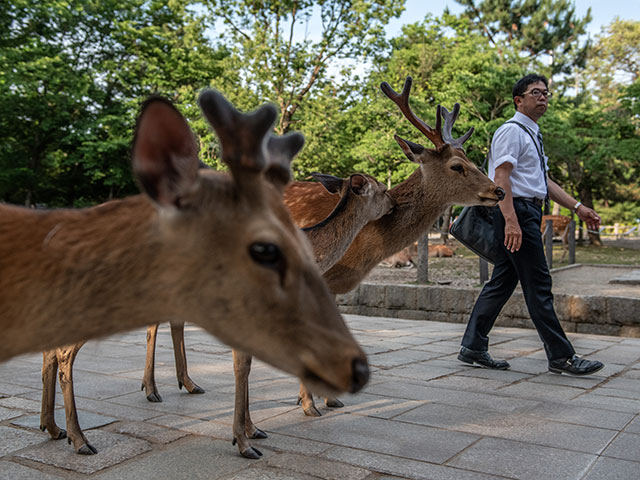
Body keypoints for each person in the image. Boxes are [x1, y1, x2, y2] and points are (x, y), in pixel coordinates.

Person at [458, 73, 604, 376]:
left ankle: (473, 345)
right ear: (519, 100)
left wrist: (578, 208)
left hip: (525, 211)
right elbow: (501, 179)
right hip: (517, 212)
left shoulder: (532, 134)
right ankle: (561, 356)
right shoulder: (511, 131)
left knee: (501, 283)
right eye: (536, 92)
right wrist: (512, 221)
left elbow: (544, 182)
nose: (543, 97)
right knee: (539, 285)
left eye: (546, 93)